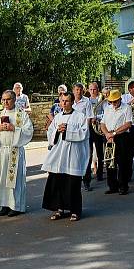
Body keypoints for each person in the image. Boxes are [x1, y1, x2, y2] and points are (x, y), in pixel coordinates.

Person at [0, 90, 34, 217]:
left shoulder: (21, 115)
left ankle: (15, 206)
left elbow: (29, 131)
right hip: (1, 151)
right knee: (1, 179)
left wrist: (14, 128)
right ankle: (4, 205)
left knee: (14, 180)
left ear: (14, 100)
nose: (5, 102)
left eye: (8, 99)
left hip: (14, 151)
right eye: (3, 99)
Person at [42, 92, 88, 221]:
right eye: (62, 101)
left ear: (72, 102)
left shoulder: (80, 116)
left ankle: (75, 211)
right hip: (59, 155)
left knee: (73, 183)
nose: (64, 103)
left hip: (73, 154)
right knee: (57, 182)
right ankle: (59, 209)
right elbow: (51, 133)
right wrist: (57, 131)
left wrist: (67, 130)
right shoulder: (57, 117)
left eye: (67, 101)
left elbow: (83, 134)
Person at [99, 89, 133, 195]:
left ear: (120, 99)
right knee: (110, 162)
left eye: (115, 101)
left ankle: (123, 186)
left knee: (122, 162)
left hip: (122, 136)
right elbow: (102, 124)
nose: (113, 104)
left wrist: (114, 133)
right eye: (111, 102)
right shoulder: (108, 108)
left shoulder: (127, 108)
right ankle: (112, 186)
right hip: (109, 136)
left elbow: (128, 124)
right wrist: (107, 134)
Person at [71, 83, 94, 191]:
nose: (78, 92)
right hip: (72, 133)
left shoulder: (87, 102)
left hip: (84, 133)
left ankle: (86, 181)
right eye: (76, 90)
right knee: (75, 157)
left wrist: (84, 130)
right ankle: (75, 179)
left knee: (86, 157)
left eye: (80, 90)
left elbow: (89, 117)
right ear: (73, 90)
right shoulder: (70, 101)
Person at [87, 82, 105, 182]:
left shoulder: (102, 100)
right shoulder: (87, 101)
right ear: (88, 90)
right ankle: (88, 173)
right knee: (89, 152)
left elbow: (105, 112)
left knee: (99, 152)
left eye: (94, 89)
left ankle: (100, 173)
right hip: (90, 128)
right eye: (91, 89)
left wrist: (97, 118)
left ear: (98, 89)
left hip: (98, 127)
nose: (93, 91)